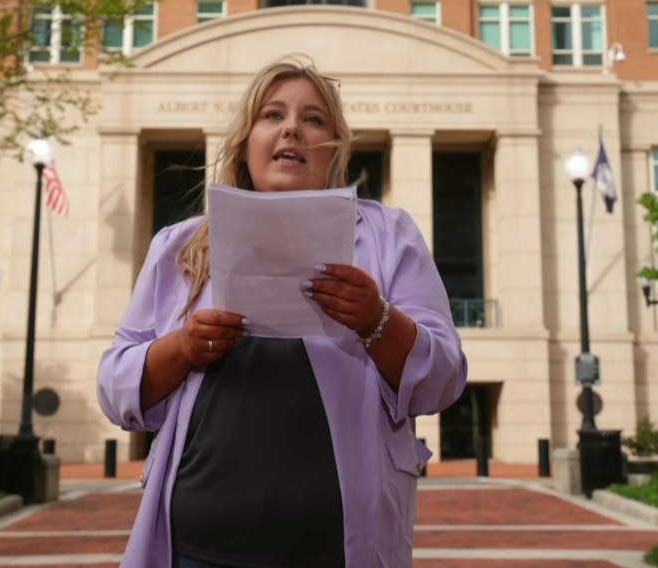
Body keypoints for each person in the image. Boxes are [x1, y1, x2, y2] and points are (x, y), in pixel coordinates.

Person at [97, 56, 467, 568]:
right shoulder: (180, 247)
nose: (292, 127)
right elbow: (115, 389)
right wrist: (181, 348)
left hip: (337, 550)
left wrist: (374, 319)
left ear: (333, 148)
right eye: (272, 115)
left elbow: (444, 378)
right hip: (199, 550)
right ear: (246, 142)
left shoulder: (389, 235)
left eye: (313, 119)